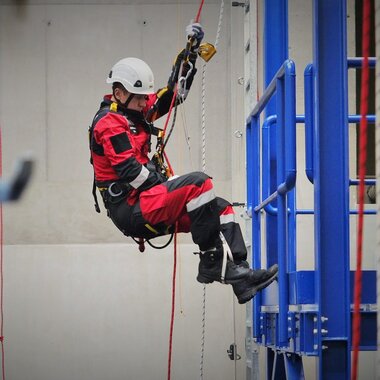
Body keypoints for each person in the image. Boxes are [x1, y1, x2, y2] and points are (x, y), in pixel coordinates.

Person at [89, 22, 278, 304]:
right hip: (131, 208)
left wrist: (188, 57)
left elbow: (173, 95)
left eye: (144, 98)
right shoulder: (110, 124)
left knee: (220, 207)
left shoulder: (133, 113)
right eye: (140, 98)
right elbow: (129, 171)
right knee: (199, 184)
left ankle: (239, 273)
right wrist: (166, 188)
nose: (145, 104)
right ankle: (212, 263)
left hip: (147, 201)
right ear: (119, 93)